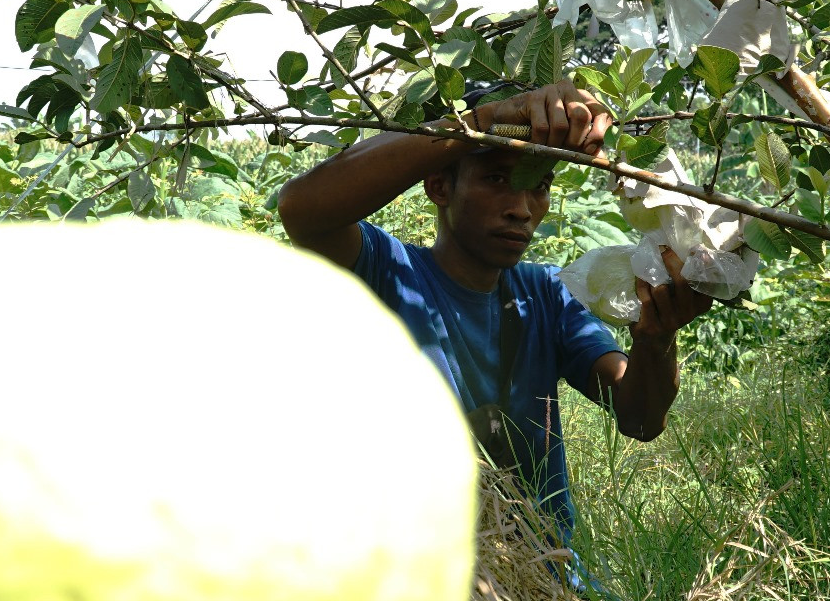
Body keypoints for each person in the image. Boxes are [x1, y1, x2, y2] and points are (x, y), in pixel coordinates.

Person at [277, 78, 714, 552]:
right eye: (496, 179)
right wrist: (480, 123)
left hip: (544, 590)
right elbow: (302, 209)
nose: (522, 209)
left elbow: (640, 419)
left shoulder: (546, 295)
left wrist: (656, 339)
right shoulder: (388, 272)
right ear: (439, 185)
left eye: (539, 186)